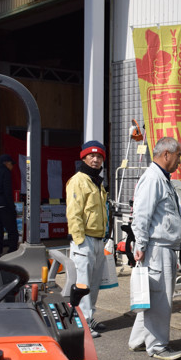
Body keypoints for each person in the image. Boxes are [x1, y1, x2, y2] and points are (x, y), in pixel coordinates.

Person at [128, 137, 181, 360]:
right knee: (161, 300)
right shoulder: (153, 178)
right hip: (156, 248)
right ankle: (158, 346)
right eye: (178, 155)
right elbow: (141, 214)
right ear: (166, 155)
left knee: (151, 297)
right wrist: (140, 244)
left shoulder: (160, 178)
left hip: (162, 247)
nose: (180, 160)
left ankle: (139, 340)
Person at [66, 140, 109, 338]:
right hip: (85, 240)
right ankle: (82, 322)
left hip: (98, 238)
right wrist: (79, 239)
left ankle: (89, 316)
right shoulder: (78, 180)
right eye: (91, 156)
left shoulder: (96, 181)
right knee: (83, 283)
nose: (95, 159)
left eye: (99, 156)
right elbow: (73, 212)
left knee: (94, 282)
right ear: (83, 157)